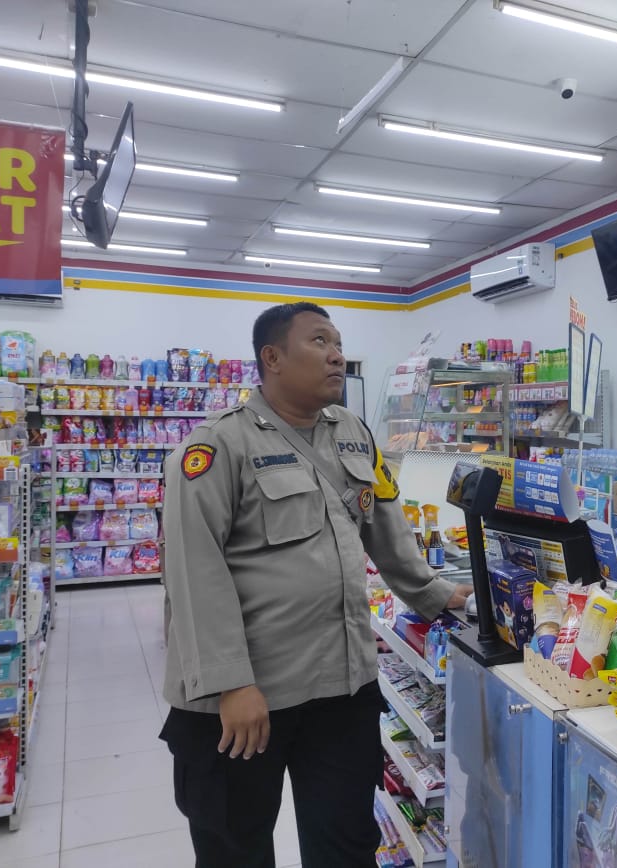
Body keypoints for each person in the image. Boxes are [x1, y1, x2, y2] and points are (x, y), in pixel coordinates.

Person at [159, 302, 471, 868]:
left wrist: (432, 592)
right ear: (272, 358)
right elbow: (192, 568)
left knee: (346, 843)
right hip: (248, 696)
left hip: (340, 686)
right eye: (319, 341)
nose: (336, 355)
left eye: (339, 342)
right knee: (234, 847)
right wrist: (231, 684)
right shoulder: (218, 446)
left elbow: (384, 522)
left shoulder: (352, 432)